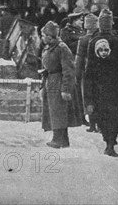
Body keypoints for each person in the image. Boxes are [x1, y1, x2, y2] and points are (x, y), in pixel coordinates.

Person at [40, 21, 83, 149]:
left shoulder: (62, 48)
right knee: (54, 111)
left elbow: (69, 70)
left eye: (43, 35)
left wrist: (66, 89)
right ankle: (62, 139)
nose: (42, 38)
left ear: (49, 36)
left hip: (59, 81)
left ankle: (58, 139)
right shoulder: (50, 47)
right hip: (51, 80)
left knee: (59, 111)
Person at [84, 9, 118, 157]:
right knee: (115, 114)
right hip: (116, 86)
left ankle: (108, 142)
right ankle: (111, 142)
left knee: (103, 116)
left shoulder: (93, 41)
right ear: (111, 23)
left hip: (99, 87)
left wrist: (88, 96)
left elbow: (89, 70)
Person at [75, 13, 99, 132]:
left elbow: (79, 59)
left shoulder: (83, 39)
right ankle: (99, 124)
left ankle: (92, 124)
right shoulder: (100, 37)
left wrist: (76, 74)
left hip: (87, 72)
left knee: (88, 97)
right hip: (101, 73)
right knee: (99, 97)